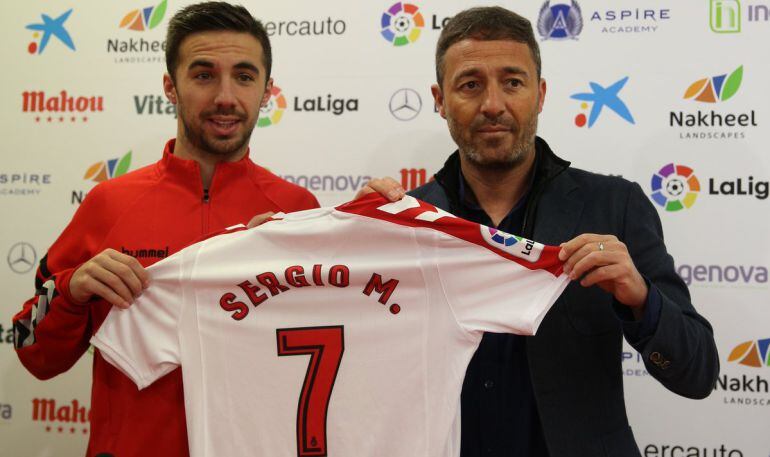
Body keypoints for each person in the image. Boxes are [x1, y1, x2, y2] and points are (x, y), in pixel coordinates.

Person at [11, 3, 401, 456]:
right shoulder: (108, 204)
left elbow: (348, 354)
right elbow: (35, 356)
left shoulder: (296, 211)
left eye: (244, 76)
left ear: (267, 90)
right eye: (203, 75)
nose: (225, 97)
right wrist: (72, 292)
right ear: (169, 87)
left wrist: (374, 234)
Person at [408, 7, 719, 457]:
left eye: (513, 82)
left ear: (540, 94)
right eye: (470, 84)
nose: (493, 104)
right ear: (439, 99)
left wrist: (640, 298)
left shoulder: (614, 206)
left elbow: (698, 373)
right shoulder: (403, 219)